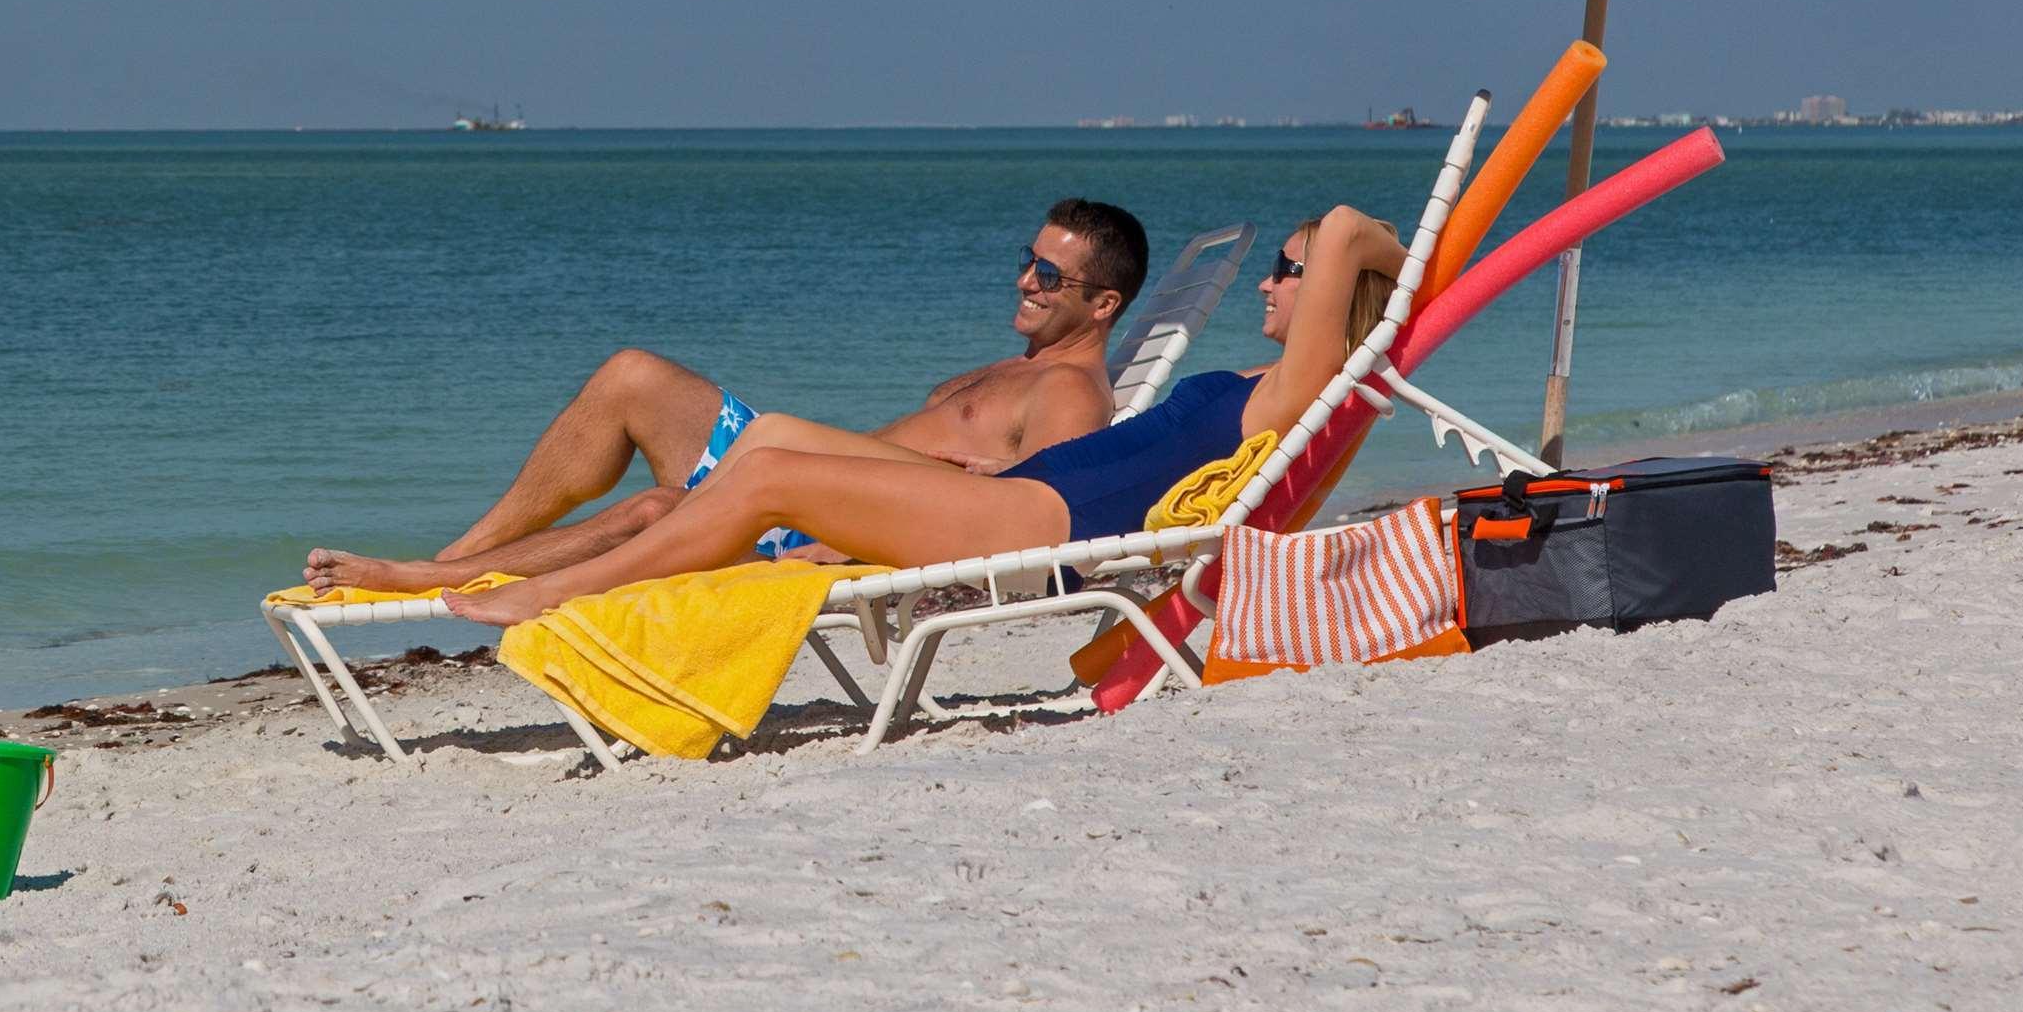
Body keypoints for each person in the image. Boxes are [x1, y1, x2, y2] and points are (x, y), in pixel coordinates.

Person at [443, 206, 1402, 630]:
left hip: (1046, 526)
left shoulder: (1293, 393)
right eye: (1281, 265)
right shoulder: (1251, 378)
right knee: (768, 441)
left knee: (768, 474)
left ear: (1330, 293)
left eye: (1292, 268)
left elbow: (1353, 224)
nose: (1275, 282)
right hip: (1028, 500)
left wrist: (1399, 271)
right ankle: (494, 573)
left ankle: (550, 595)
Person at [302, 199, 1150, 596]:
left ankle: (429, 580)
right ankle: (463, 554)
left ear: (1103, 304)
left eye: (1048, 274)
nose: (1024, 280)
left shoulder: (1070, 391)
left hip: (820, 520)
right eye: (1027, 259)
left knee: (656, 509)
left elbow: (1035, 516)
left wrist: (839, 546)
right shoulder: (1022, 364)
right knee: (633, 373)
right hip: (803, 487)